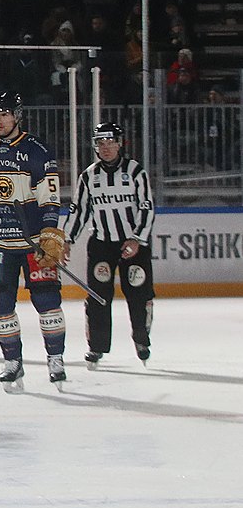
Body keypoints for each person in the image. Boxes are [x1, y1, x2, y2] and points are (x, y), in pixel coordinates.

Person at [0, 89, 67, 391]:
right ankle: (12, 362)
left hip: (33, 243)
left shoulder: (37, 151)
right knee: (1, 306)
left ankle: (55, 358)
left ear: (17, 116)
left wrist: (48, 234)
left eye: (4, 114)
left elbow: (50, 199)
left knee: (47, 302)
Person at [63, 122, 155, 366]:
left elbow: (146, 208)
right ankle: (97, 346)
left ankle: (141, 339)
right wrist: (67, 239)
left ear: (120, 143)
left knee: (139, 294)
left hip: (133, 245)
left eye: (110, 142)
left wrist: (136, 239)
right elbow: (79, 211)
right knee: (98, 297)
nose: (105, 148)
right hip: (102, 244)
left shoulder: (136, 172)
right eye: (100, 143)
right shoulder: (89, 176)